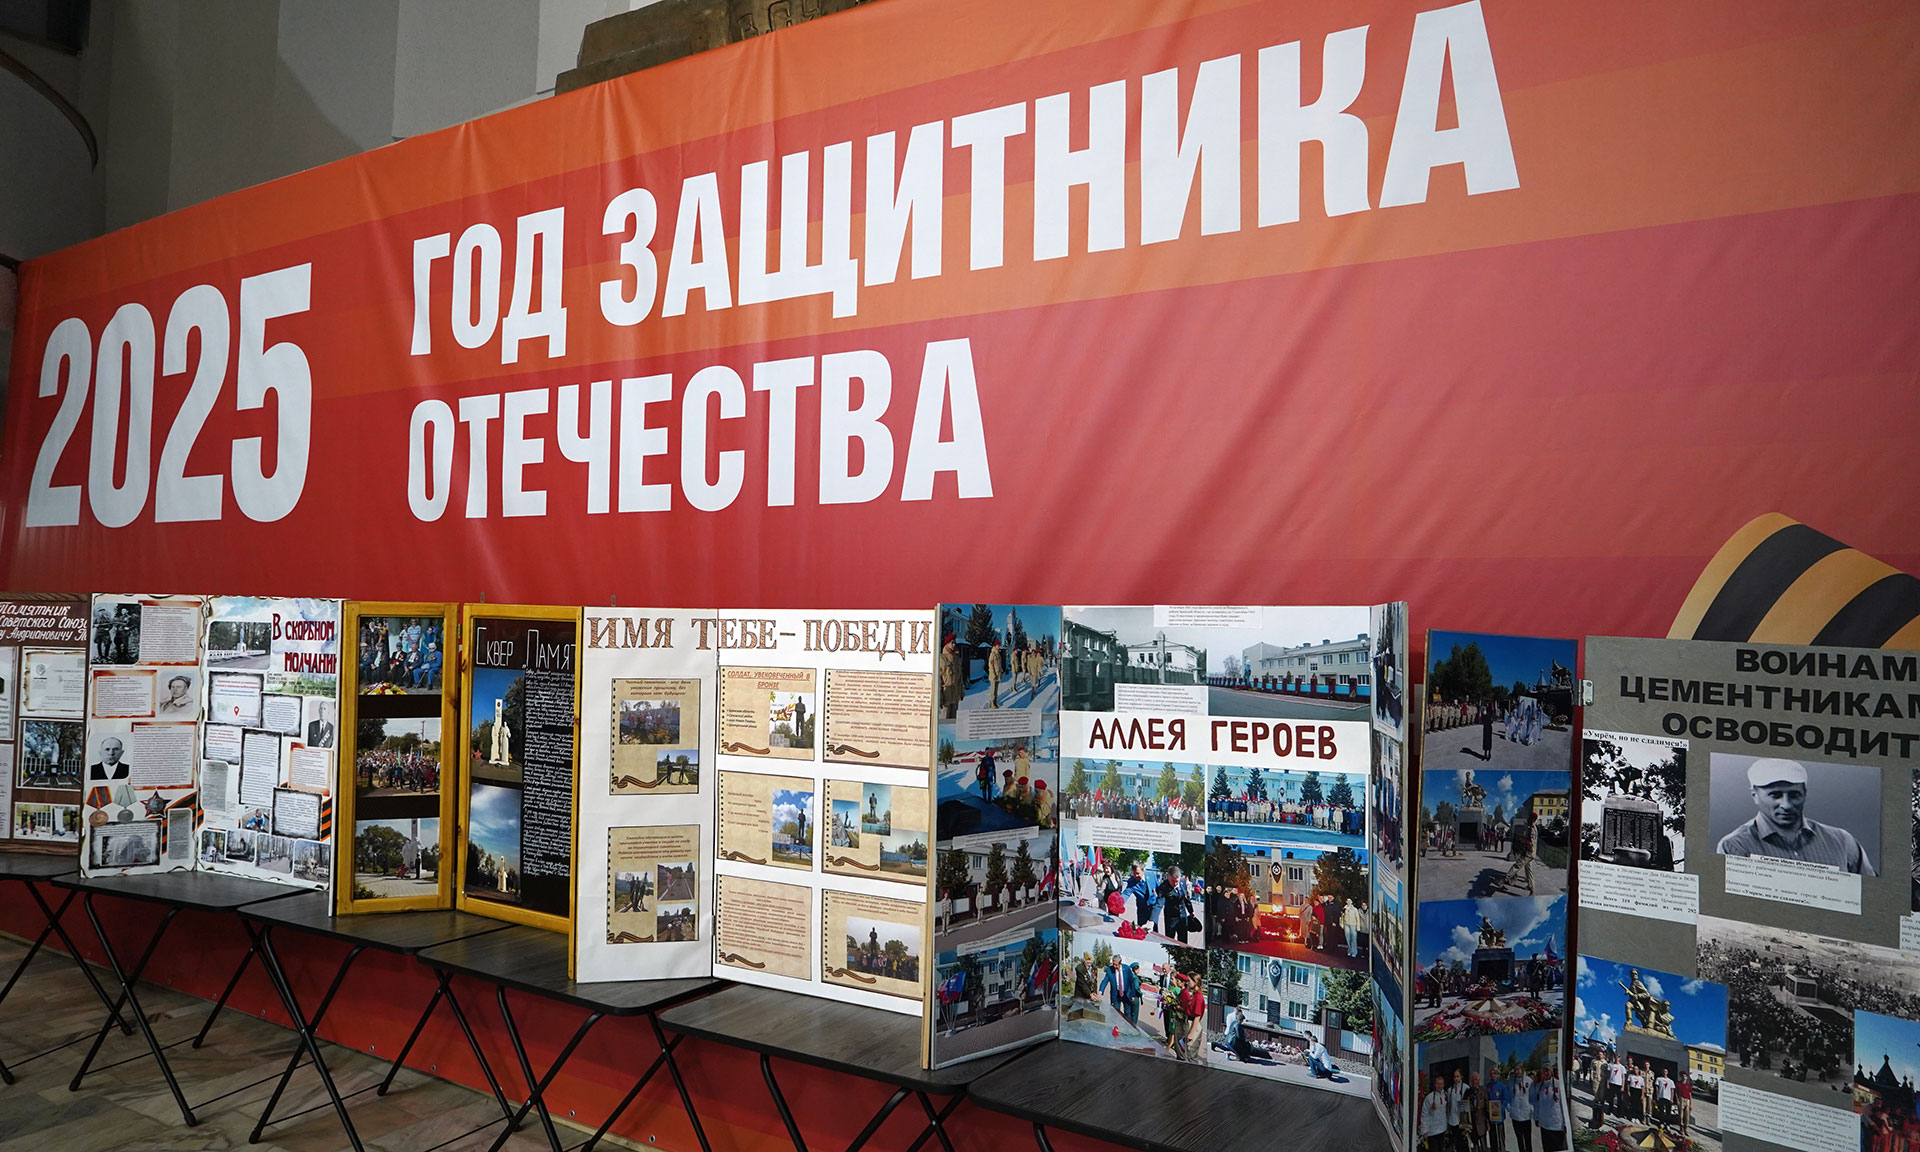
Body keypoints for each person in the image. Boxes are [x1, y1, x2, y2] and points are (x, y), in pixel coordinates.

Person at [1715, 758, 1874, 874]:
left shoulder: (1842, 841)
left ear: (1805, 794)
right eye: (1775, 795)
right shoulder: (1734, 846)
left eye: (1794, 795)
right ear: (1754, 795)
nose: (1787, 805)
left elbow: (1870, 894)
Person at [1533, 1065, 1567, 1152]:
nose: (1546, 1073)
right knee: (1547, 1148)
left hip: (1557, 1124)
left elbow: (1563, 1105)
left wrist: (1565, 1123)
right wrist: (1536, 1118)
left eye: (1547, 1070)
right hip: (1544, 1124)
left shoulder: (1559, 1084)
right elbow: (1537, 1104)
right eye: (1544, 1071)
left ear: (1551, 1072)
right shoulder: (1539, 1086)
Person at [1159, 864, 1193, 944]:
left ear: (1180, 877)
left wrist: (1191, 911)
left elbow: (1186, 898)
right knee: (1169, 941)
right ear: (1168, 876)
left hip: (1183, 917)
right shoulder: (1163, 887)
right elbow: (1159, 902)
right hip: (1171, 919)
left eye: (1177, 881)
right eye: (1172, 881)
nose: (1175, 884)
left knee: (1183, 942)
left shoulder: (1183, 882)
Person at [1420, 1074, 1453, 1152]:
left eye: (1441, 1084)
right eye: (1437, 1084)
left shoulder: (1446, 1095)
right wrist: (1424, 1131)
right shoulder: (1429, 1098)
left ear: (1443, 1085)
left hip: (1443, 1130)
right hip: (1432, 1131)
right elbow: (1424, 1114)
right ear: (1435, 1084)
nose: (1439, 1086)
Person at [1507, 1065, 1535, 1152]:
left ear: (1522, 1070)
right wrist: (1510, 1108)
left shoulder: (1529, 1081)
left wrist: (1531, 1108)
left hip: (1526, 1115)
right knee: (1519, 1138)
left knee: (1527, 1138)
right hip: (1515, 1115)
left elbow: (1533, 1097)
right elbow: (1508, 1096)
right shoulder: (1511, 1082)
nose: (1517, 1071)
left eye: (1518, 1069)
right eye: (1515, 1070)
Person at [940, 634, 963, 719]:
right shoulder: (942, 659)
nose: (954, 645)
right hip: (946, 696)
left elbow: (960, 677)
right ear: (947, 644)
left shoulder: (957, 658)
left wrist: (961, 692)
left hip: (955, 695)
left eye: (954, 643)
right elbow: (939, 680)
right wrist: (940, 698)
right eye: (952, 643)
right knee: (945, 720)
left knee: (954, 721)